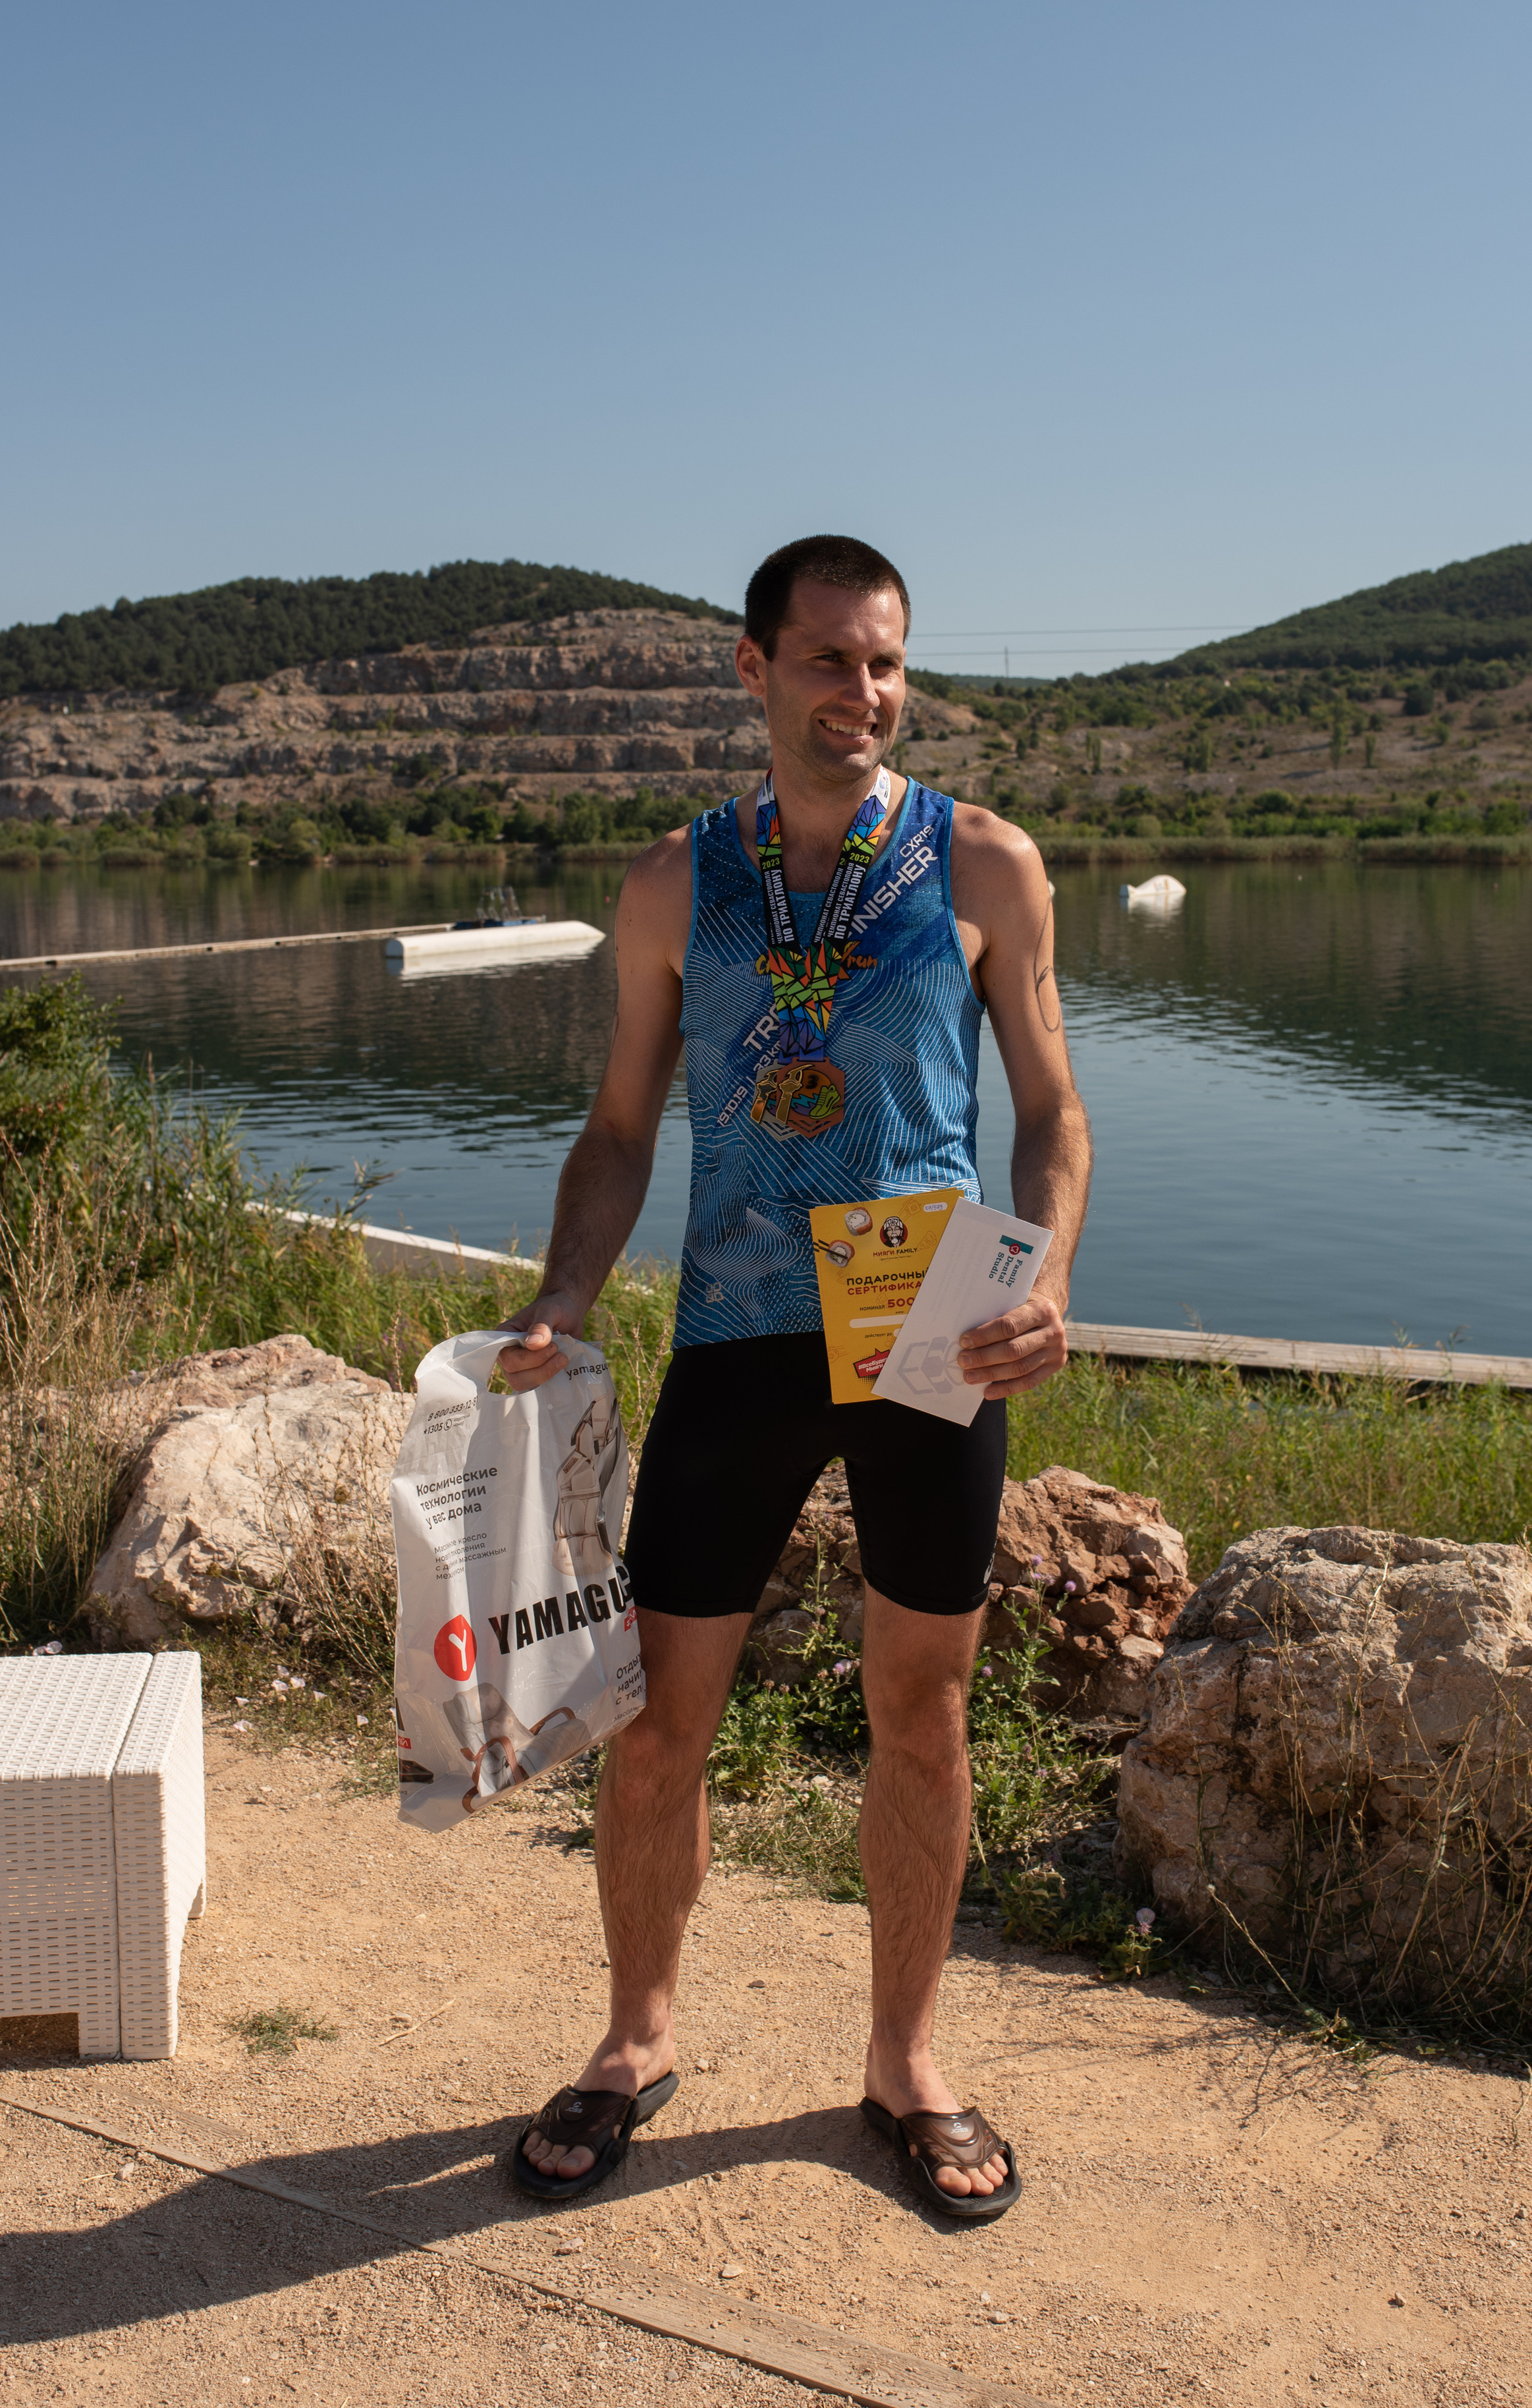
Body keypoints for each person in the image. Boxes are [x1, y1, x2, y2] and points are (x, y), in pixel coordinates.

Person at [498, 533, 1091, 2220]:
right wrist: (561, 1293)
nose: (864, 693)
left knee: (921, 1710)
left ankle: (903, 2062)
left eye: (886, 661)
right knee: (658, 1727)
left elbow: (1050, 1116)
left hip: (931, 1342)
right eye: (828, 660)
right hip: (742, 1341)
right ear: (753, 672)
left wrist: (1046, 1279)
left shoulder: (983, 867)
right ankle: (633, 2041)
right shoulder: (676, 883)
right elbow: (618, 1133)